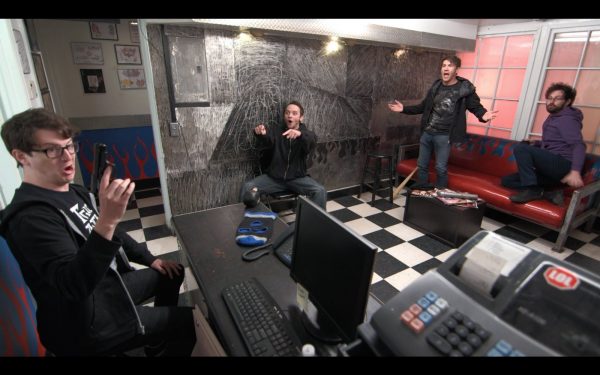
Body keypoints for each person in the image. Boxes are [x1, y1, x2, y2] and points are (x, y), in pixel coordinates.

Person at [0, 109, 196, 356]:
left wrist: (151, 259)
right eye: (52, 150)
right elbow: (74, 285)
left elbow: (116, 233)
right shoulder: (30, 218)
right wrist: (106, 221)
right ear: (21, 156)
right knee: (189, 323)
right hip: (86, 325)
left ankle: (154, 344)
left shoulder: (74, 191)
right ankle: (156, 336)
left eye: (70, 146)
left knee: (171, 271)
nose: (67, 157)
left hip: (107, 290)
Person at [388, 55, 497, 188]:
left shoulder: (464, 89)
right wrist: (404, 109)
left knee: (440, 168)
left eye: (449, 66)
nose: (446, 68)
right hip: (427, 133)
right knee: (421, 165)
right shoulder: (436, 86)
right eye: (444, 65)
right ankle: (422, 189)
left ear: (456, 70)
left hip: (444, 136)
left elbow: (476, 107)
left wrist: (483, 115)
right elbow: (423, 107)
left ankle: (440, 195)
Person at [501, 82, 585, 204]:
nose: (552, 101)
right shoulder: (554, 116)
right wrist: (536, 143)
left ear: (567, 102)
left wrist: (575, 172)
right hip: (552, 168)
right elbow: (556, 143)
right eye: (550, 98)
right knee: (507, 180)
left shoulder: (567, 119)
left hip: (563, 166)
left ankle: (532, 190)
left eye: (558, 99)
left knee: (521, 148)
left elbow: (579, 145)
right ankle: (547, 194)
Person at [240, 101, 327, 209]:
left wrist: (300, 135)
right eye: (287, 113)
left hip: (296, 179)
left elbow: (312, 140)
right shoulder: (277, 131)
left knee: (320, 191)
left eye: (294, 113)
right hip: (274, 179)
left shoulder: (306, 134)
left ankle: (311, 223)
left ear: (301, 118)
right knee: (247, 186)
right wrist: (260, 133)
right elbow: (268, 138)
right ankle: (246, 220)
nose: (290, 115)